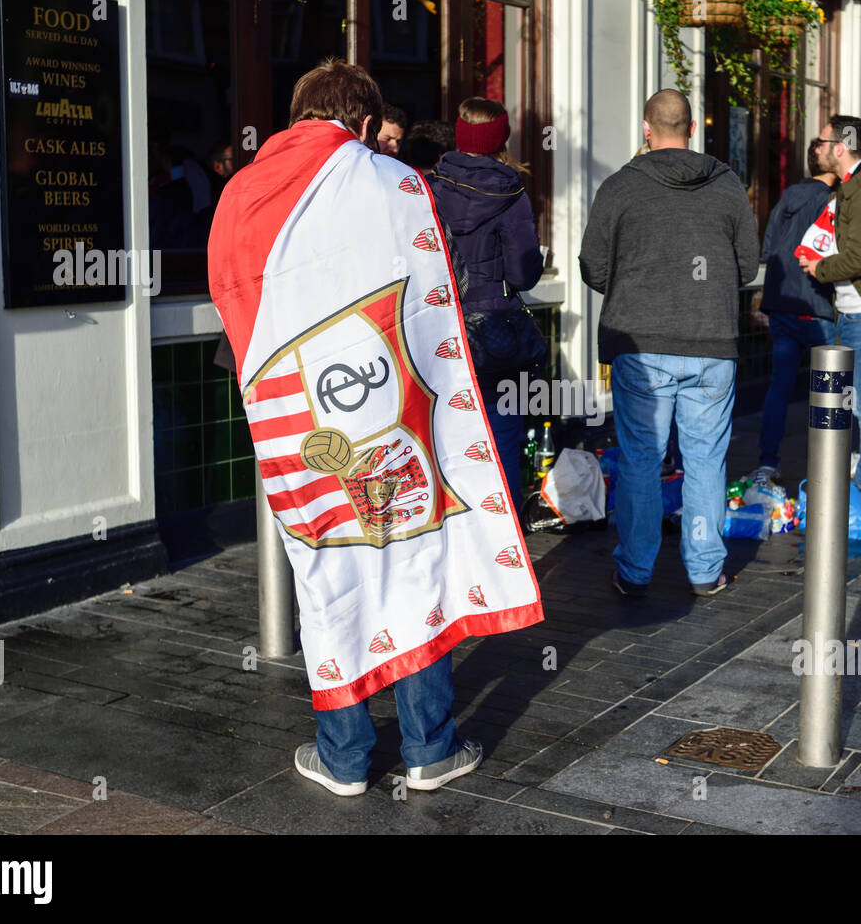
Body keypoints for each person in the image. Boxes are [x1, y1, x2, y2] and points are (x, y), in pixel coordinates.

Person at [208, 59, 545, 798]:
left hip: (295, 412)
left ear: (299, 115)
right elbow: (429, 299)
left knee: (325, 561)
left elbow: (232, 299)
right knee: (410, 556)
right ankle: (429, 747)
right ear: (363, 124)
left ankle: (345, 754)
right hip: (393, 406)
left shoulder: (239, 193)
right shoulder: (395, 183)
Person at [580, 89, 759, 597]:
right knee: (705, 461)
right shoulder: (726, 186)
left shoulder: (621, 186)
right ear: (693, 128)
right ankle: (705, 570)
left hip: (642, 344)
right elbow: (746, 266)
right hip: (712, 342)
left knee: (641, 459)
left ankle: (636, 570)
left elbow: (593, 265)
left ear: (645, 128)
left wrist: (639, 284)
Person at [429, 97, 545, 500]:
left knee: (446, 441)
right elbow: (523, 272)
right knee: (502, 440)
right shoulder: (511, 193)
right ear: (502, 138)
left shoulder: (428, 188)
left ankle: (461, 549)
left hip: (438, 329)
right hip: (496, 333)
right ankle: (506, 550)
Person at [796, 116, 861, 507]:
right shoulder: (855, 187)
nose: (816, 149)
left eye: (821, 142)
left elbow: (859, 257)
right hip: (855, 311)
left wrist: (819, 268)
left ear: (840, 147)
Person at [754, 142, 838, 482]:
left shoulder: (786, 198)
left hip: (783, 305)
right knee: (829, 388)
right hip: (819, 307)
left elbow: (768, 250)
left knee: (780, 385)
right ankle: (828, 466)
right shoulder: (834, 203)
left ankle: (767, 462)